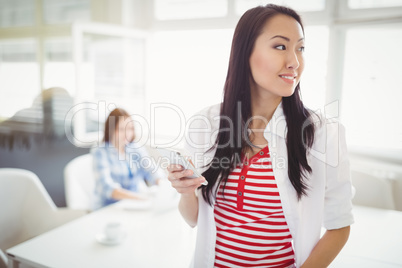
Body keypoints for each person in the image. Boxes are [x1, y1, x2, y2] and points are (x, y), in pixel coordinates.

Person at [167, 4, 354, 268]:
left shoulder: (322, 132)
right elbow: (193, 218)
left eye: (300, 48)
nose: (295, 62)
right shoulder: (206, 123)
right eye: (281, 46)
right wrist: (186, 192)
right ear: (245, 53)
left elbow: (339, 225)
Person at [91, 108, 163, 209]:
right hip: (109, 207)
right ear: (111, 130)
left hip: (134, 205)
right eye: (121, 129)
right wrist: (140, 198)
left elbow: (152, 171)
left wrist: (164, 187)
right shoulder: (100, 152)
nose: (127, 133)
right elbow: (106, 187)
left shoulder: (135, 148)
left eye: (130, 128)